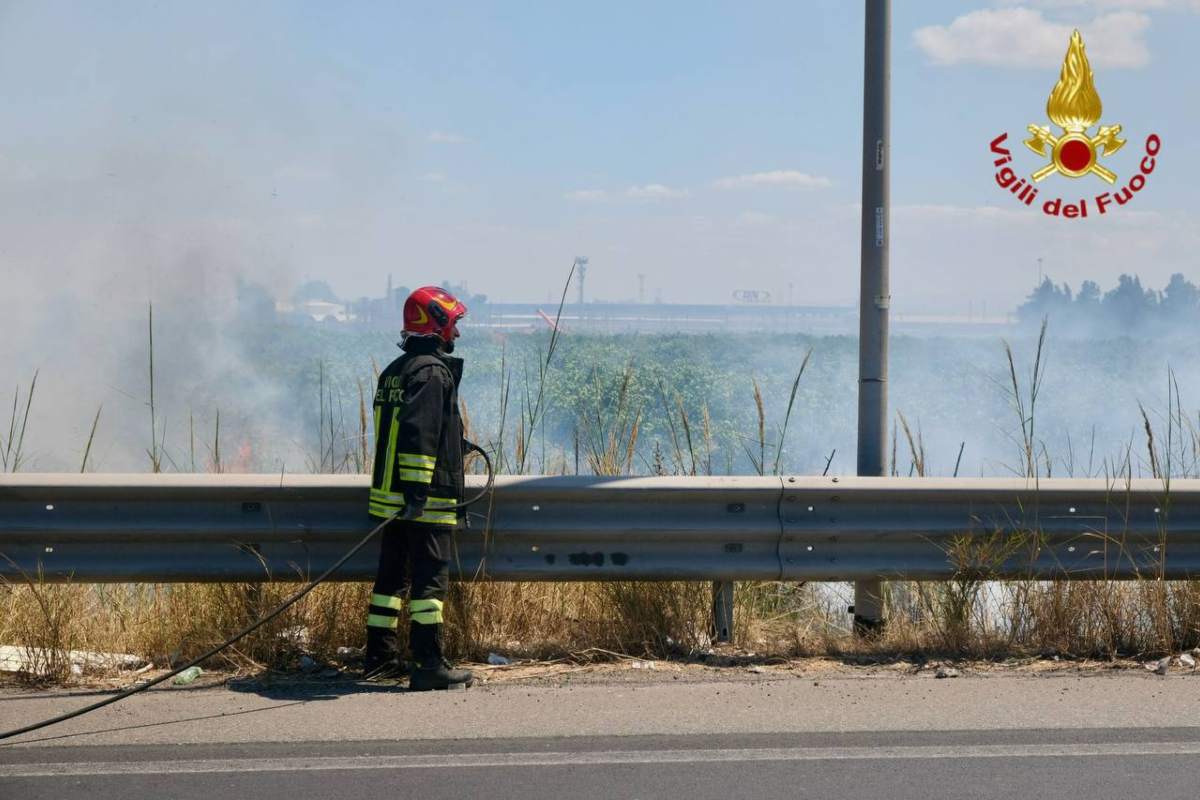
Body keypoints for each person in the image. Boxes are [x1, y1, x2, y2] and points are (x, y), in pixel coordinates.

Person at [363, 285, 473, 690]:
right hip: (423, 502)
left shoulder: (395, 371)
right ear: (437, 323)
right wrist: (417, 493)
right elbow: (418, 434)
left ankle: (379, 658)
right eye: (453, 324)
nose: (456, 334)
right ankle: (428, 664)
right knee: (429, 586)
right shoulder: (431, 372)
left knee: (390, 581)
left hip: (391, 500)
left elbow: (402, 431)